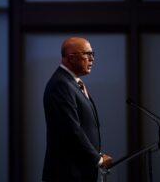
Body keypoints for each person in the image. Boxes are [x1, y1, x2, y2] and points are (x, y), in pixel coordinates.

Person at [42, 37, 113, 182]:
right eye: (87, 54)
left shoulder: (72, 83)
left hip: (79, 172)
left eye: (93, 54)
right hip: (67, 174)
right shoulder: (61, 85)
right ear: (71, 58)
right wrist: (98, 159)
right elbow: (71, 130)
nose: (92, 59)